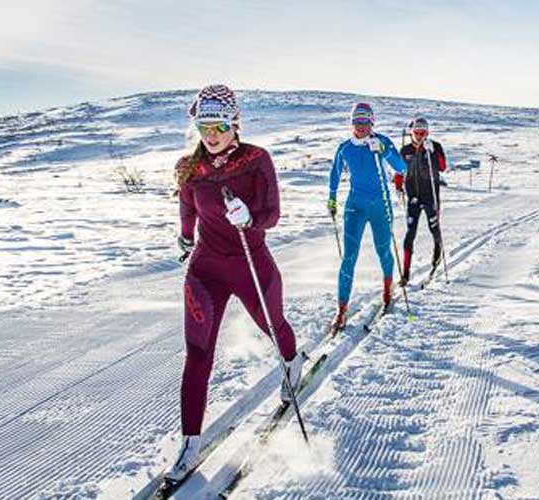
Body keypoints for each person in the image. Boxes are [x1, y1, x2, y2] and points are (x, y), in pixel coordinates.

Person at [170, 84, 303, 481]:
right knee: (197, 354)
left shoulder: (256, 160)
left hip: (251, 261)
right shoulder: (189, 167)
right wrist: (185, 237)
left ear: (235, 124)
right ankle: (190, 443)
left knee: (273, 326)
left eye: (220, 126)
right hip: (206, 268)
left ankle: (292, 362)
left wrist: (250, 218)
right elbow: (187, 206)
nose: (211, 135)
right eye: (204, 126)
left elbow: (273, 214)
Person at [327, 102, 407, 329]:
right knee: (349, 257)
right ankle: (342, 310)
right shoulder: (345, 148)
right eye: (356, 121)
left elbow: (402, 168)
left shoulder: (382, 141)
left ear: (372, 122)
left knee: (383, 250)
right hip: (355, 206)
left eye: (364, 121)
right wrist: (332, 198)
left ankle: (388, 290)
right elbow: (335, 173)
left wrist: (385, 151)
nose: (360, 125)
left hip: (380, 205)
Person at [394, 117, 447, 286]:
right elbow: (399, 170)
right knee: (410, 233)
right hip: (413, 198)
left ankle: (437, 255)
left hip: (431, 197)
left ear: (427, 133)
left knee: (434, 228)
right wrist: (398, 185)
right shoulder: (405, 150)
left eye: (422, 133)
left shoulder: (435, 146)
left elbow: (443, 167)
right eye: (416, 132)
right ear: (412, 133)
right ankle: (405, 273)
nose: (419, 136)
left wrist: (434, 152)